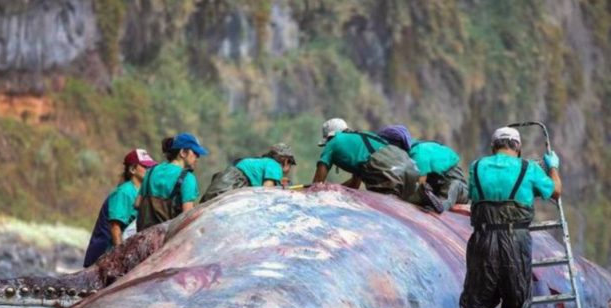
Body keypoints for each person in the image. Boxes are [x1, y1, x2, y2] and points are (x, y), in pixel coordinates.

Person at [458, 127, 562, 308]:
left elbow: (475, 196)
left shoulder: (477, 167)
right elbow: (556, 191)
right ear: (518, 147)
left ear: (493, 146)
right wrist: (553, 167)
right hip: (516, 244)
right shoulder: (529, 169)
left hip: (482, 242)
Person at [312, 119, 442, 211]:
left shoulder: (333, 142)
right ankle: (419, 192)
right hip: (408, 165)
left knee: (385, 201)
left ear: (330, 136)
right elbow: (354, 185)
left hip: (386, 168)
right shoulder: (361, 139)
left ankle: (418, 195)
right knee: (403, 197)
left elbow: (317, 184)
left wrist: (318, 190)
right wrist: (335, 188)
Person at [83, 149, 158, 267]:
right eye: (145, 166)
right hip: (105, 256)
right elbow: (115, 228)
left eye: (150, 167)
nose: (149, 170)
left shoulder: (140, 192)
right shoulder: (124, 192)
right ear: (132, 169)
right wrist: (121, 259)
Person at [377, 125, 469, 212]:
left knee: (450, 189)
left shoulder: (418, 153)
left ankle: (439, 205)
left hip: (456, 186)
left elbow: (421, 185)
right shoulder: (408, 153)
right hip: (434, 185)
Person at [135, 133, 208, 231]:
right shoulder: (187, 178)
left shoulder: (151, 171)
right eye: (195, 153)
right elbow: (187, 218)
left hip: (143, 236)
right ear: (183, 153)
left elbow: (137, 204)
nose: (197, 157)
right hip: (166, 240)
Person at [201, 143, 297, 202]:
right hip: (231, 184)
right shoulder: (275, 166)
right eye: (291, 164)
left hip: (223, 180)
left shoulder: (262, 162)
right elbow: (266, 192)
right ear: (285, 161)